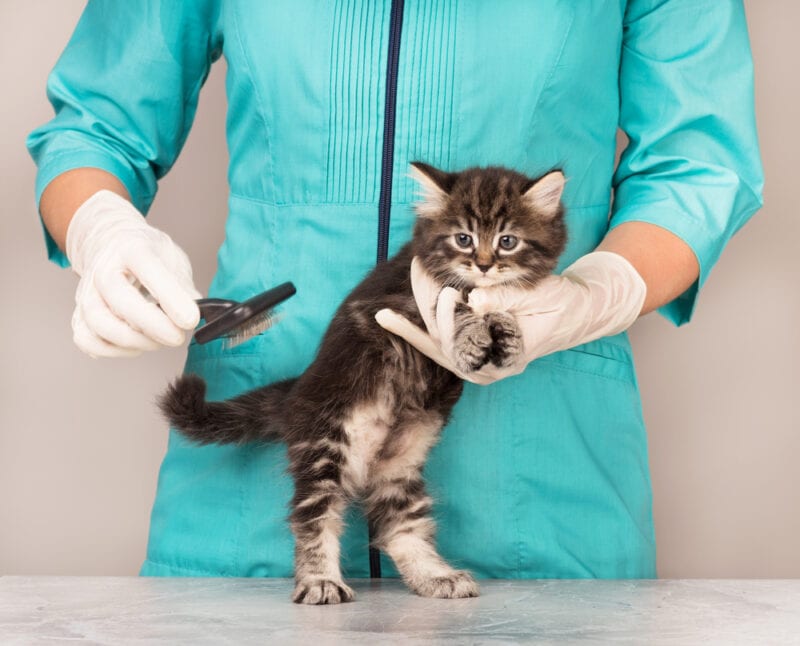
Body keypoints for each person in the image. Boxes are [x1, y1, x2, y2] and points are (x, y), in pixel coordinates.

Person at [28, 1, 763, 580]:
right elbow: (97, 125)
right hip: (246, 498)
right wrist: (101, 230)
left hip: (541, 482)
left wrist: (596, 293)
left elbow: (698, 166)